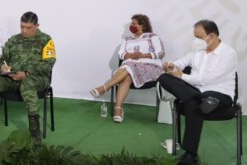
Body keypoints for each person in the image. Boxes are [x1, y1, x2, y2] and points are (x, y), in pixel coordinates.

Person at [157, 20, 237, 165]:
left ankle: (190, 155)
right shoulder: (196, 51)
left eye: (199, 37)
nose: (196, 41)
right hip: (198, 93)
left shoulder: (229, 53)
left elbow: (209, 79)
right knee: (164, 78)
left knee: (194, 101)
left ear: (211, 36)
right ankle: (201, 101)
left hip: (220, 93)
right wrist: (171, 66)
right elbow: (182, 62)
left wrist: (182, 76)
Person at [0, 11, 55, 147]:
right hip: (12, 77)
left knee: (27, 84)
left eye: (28, 28)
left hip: (36, 79)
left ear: (37, 26)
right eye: (22, 27)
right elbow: (2, 59)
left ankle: (35, 134)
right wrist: (2, 67)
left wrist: (27, 73)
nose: (24, 30)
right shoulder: (14, 40)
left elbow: (49, 64)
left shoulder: (46, 40)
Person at [89, 14, 165, 122]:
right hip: (129, 66)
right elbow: (121, 54)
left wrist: (143, 55)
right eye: (131, 23)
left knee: (127, 67)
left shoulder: (152, 37)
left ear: (142, 25)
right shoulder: (127, 39)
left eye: (134, 24)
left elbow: (160, 53)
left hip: (150, 67)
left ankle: (105, 88)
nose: (131, 26)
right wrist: (130, 55)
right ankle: (118, 110)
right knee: (127, 76)